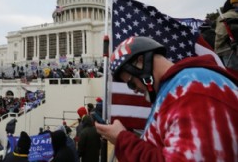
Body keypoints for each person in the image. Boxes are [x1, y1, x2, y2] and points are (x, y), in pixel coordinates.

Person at [95, 36, 238, 161]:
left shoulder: (191, 90)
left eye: (131, 83)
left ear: (140, 61)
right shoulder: (176, 90)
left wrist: (123, 140)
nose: (135, 90)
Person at [215, 0, 238, 70]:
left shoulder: (227, 15)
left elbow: (221, 33)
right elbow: (222, 33)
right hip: (229, 50)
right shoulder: (229, 15)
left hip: (227, 50)